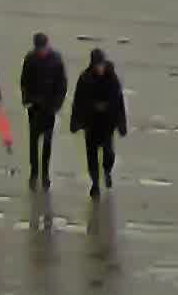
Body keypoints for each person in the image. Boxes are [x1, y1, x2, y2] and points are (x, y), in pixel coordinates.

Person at [70, 47, 128, 194]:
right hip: (91, 122)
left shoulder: (112, 79)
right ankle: (95, 183)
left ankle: (107, 171)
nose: (99, 68)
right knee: (92, 156)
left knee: (108, 153)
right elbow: (78, 101)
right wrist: (75, 121)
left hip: (107, 123)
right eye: (97, 65)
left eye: (101, 65)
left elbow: (119, 102)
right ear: (93, 64)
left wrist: (121, 124)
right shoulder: (85, 78)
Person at [17, 32, 70, 193]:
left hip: (49, 108)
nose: (41, 51)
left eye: (43, 48)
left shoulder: (56, 60)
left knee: (47, 142)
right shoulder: (30, 59)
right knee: (33, 140)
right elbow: (24, 81)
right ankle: (34, 171)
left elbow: (62, 84)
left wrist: (57, 104)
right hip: (35, 106)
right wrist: (27, 100)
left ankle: (45, 173)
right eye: (39, 49)